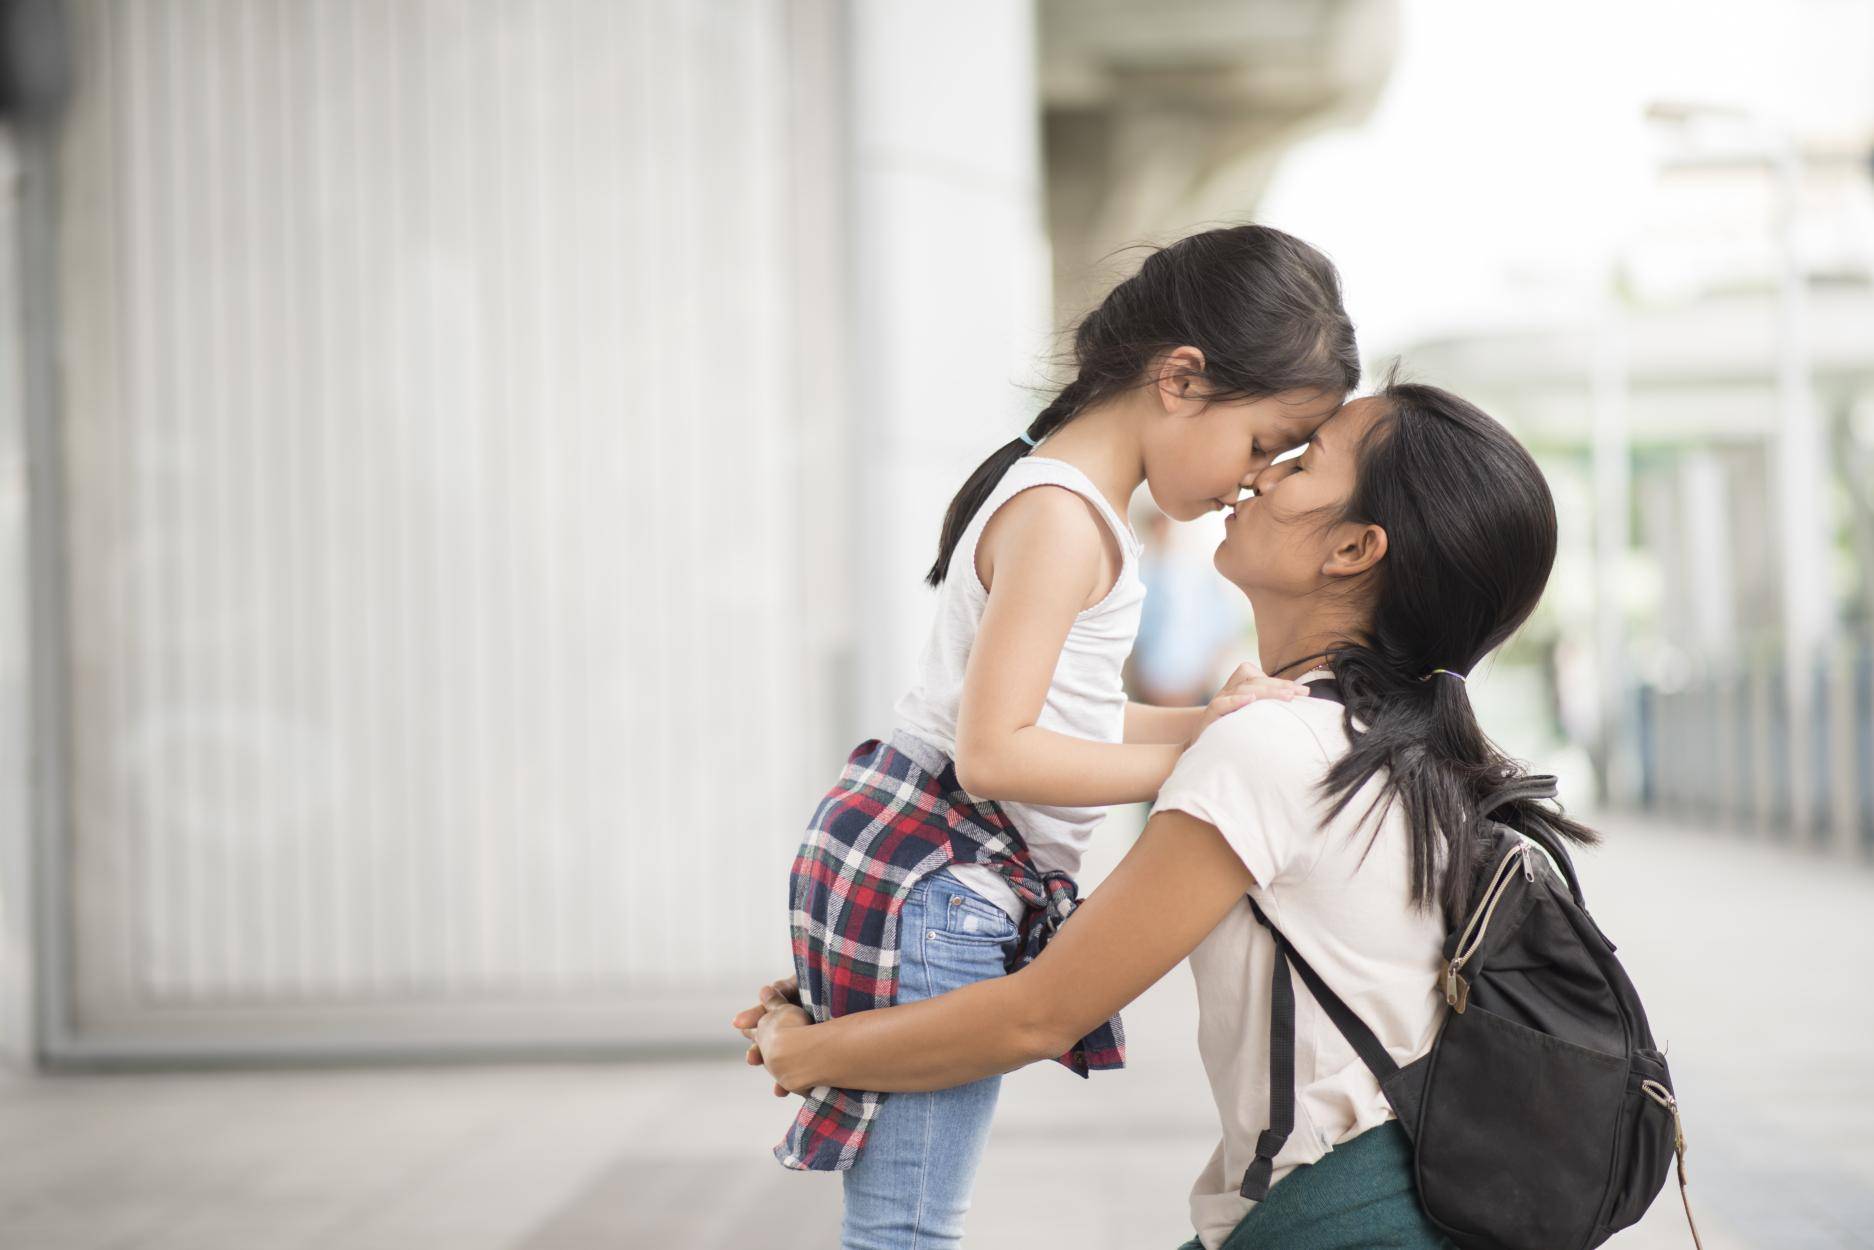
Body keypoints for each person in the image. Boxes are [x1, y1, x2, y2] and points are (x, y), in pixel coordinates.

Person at [742, 378, 1601, 1250]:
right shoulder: (1380, 749)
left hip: (1345, 1222)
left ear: (1352, 548)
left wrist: (806, 1052)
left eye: (1302, 461)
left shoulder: (1275, 753)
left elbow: (1041, 1011)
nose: (1262, 476)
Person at [779, 224, 1358, 1250]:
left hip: (920, 854)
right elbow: (993, 753)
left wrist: (1209, 723)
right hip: (941, 874)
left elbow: (1064, 716)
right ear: (1180, 378)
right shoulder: (1062, 519)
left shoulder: (1071, 505)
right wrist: (1206, 761)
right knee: (906, 1226)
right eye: (1264, 441)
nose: (1256, 479)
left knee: (903, 1220)